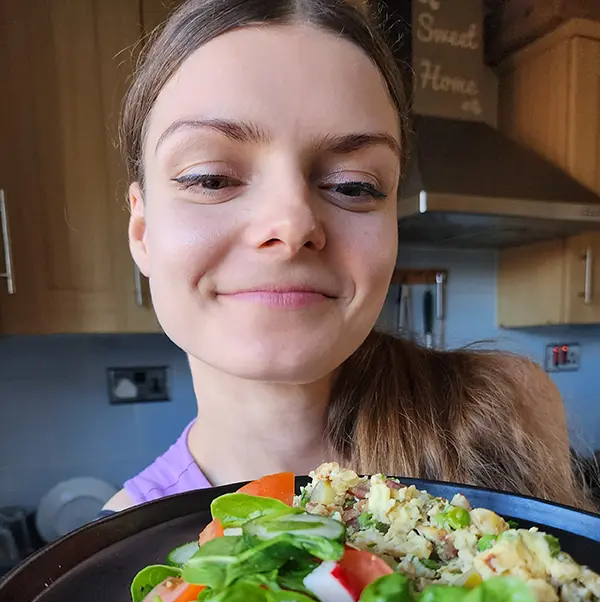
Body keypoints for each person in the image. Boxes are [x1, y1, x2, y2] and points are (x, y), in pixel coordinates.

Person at [104, 0, 586, 514]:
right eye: (211, 179)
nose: (292, 226)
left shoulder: (507, 411)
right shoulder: (114, 546)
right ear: (142, 231)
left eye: (353, 186)